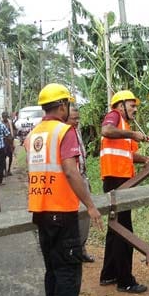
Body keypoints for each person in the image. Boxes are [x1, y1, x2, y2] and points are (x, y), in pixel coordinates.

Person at [27, 83, 102, 296]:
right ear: (62, 106)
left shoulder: (33, 135)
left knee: (52, 272)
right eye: (68, 104)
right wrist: (90, 205)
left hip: (41, 212)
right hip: (62, 214)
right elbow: (70, 171)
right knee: (68, 275)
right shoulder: (64, 131)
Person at [99, 90, 149, 294]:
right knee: (125, 231)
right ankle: (125, 281)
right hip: (116, 180)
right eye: (132, 105)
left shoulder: (124, 126)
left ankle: (109, 274)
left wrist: (148, 160)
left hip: (120, 180)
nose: (135, 109)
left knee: (115, 229)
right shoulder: (114, 117)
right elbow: (106, 130)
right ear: (120, 105)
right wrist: (133, 134)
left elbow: (128, 155)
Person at [66, 104, 95, 263]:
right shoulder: (63, 133)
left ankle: (81, 248)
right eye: (73, 118)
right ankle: (73, 251)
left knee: (84, 217)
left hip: (82, 177)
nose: (76, 121)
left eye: (78, 118)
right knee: (73, 216)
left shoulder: (76, 131)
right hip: (71, 180)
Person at [1, 111, 15, 176]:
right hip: (3, 142)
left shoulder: (10, 122)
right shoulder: (0, 123)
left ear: (7, 117)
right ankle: (5, 170)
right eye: (4, 117)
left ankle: (9, 170)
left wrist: (13, 136)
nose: (5, 118)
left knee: (10, 156)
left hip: (10, 141)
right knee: (3, 157)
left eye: (6, 117)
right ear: (2, 117)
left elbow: (14, 129)